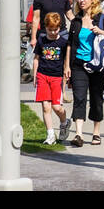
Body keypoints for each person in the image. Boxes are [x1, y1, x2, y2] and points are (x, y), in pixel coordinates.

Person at [66, 0, 104, 146]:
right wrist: (67, 66)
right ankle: (79, 134)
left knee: (96, 98)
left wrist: (101, 31)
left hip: (97, 65)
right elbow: (69, 45)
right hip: (78, 64)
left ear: (92, 0)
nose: (81, 1)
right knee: (79, 97)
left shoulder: (102, 19)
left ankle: (96, 132)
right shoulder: (76, 21)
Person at [32, 11, 72, 145]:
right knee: (45, 107)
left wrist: (66, 70)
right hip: (42, 75)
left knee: (57, 107)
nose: (53, 32)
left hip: (56, 77)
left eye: (56, 29)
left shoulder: (63, 42)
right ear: (45, 27)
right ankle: (50, 135)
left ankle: (64, 122)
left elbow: (66, 59)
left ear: (59, 27)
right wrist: (34, 75)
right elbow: (36, 58)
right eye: (50, 30)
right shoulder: (41, 40)